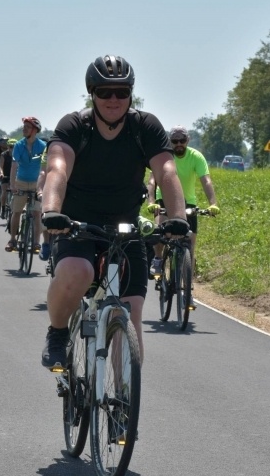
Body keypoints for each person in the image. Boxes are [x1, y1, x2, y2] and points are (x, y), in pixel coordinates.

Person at [40, 54, 189, 370]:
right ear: (91, 92)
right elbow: (57, 169)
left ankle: (122, 401)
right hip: (77, 226)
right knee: (79, 272)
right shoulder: (74, 126)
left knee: (131, 313)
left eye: (121, 92)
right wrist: (52, 212)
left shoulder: (144, 127)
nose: (113, 99)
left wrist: (178, 218)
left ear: (130, 94)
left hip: (126, 228)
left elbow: (167, 172)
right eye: (104, 91)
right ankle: (57, 332)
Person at [146, 125, 220, 276]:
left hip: (188, 202)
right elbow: (152, 182)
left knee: (190, 243)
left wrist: (213, 204)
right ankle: (158, 259)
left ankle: (188, 288)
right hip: (164, 199)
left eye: (182, 140)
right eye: (175, 140)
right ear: (170, 141)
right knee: (160, 231)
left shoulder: (196, 156)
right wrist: (151, 202)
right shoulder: (164, 156)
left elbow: (206, 181)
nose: (179, 144)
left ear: (188, 140)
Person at [5, 116, 46, 253]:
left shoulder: (42, 146)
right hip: (20, 182)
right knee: (16, 212)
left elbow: (44, 167)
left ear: (35, 130)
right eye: (24, 127)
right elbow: (14, 165)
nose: (24, 129)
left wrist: (42, 187)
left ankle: (36, 243)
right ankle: (12, 240)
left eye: (27, 127)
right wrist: (12, 185)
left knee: (36, 212)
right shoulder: (18, 145)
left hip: (36, 184)